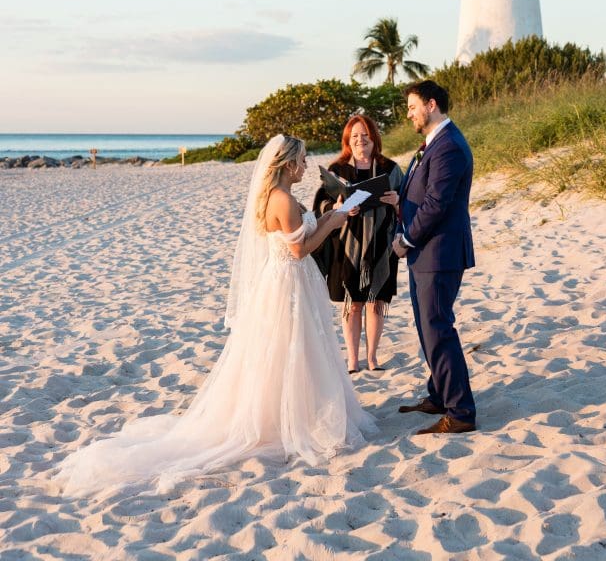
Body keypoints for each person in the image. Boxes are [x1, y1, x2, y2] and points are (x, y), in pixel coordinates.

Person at [55, 135, 375, 496]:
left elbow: (299, 233)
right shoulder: (282, 199)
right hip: (289, 282)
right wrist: (333, 223)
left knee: (297, 348)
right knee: (292, 348)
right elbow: (300, 249)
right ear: (287, 164)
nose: (305, 166)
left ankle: (299, 409)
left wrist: (330, 214)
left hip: (290, 281)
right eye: (301, 161)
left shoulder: (280, 197)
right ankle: (291, 418)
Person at [393, 80, 477, 435]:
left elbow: (436, 205)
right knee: (428, 326)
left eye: (412, 107)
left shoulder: (449, 147)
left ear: (430, 105)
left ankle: (459, 412)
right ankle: (439, 394)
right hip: (426, 253)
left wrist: (407, 239)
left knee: (438, 328)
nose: (409, 114)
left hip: (438, 252)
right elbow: (419, 192)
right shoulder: (433, 144)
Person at [313, 115, 402, 373]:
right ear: (347, 142)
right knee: (353, 304)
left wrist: (397, 200)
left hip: (381, 245)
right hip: (346, 246)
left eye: (365, 135)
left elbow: (410, 204)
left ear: (374, 138)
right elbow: (319, 206)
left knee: (376, 301)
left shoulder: (391, 168)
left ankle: (372, 357)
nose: (360, 140)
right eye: (355, 137)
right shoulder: (337, 170)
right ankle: (353, 359)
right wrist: (337, 207)